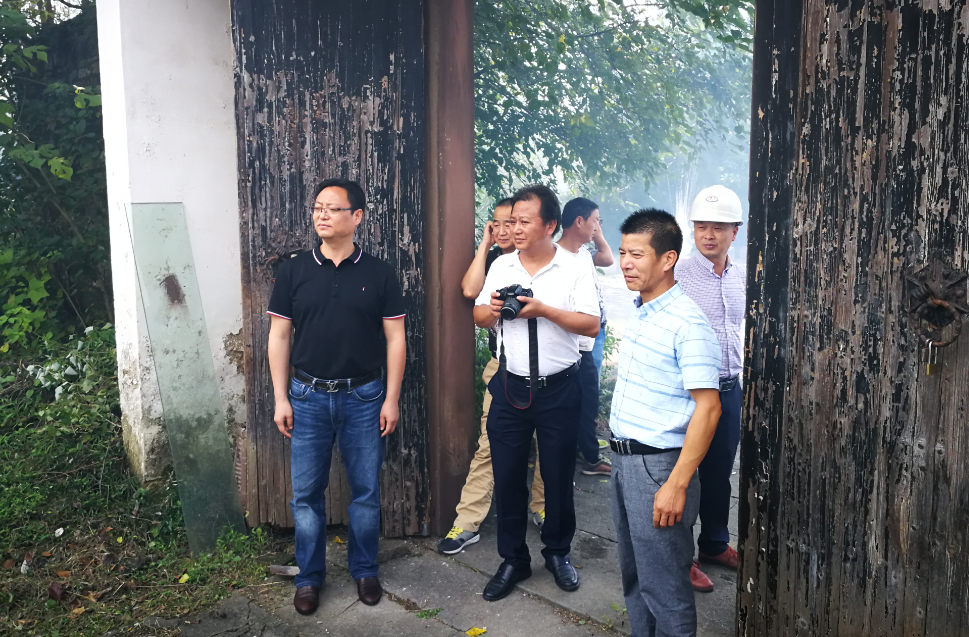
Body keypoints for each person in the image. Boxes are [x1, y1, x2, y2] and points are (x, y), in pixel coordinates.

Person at [267, 178, 407, 615]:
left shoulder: (379, 273)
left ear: (357, 216)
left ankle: (365, 570)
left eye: (332, 208)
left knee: (365, 491)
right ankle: (309, 578)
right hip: (307, 396)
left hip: (364, 398)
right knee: (306, 495)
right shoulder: (293, 271)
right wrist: (281, 398)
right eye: (317, 208)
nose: (321, 215)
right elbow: (279, 336)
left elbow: (396, 339)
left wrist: (391, 398)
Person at [474, 184, 600, 601]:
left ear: (550, 225)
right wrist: (493, 310)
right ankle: (513, 559)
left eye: (524, 221)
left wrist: (543, 309)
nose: (515, 228)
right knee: (508, 476)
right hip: (510, 386)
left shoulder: (574, 266)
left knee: (559, 476)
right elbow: (478, 315)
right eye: (512, 221)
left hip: (559, 388)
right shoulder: (502, 265)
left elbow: (590, 324)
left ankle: (558, 552)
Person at [609, 209, 722, 637]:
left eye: (637, 254)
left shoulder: (687, 323)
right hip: (623, 461)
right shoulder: (643, 310)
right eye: (623, 252)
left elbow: (709, 408)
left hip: (658, 468)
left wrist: (676, 484)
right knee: (636, 576)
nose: (625, 263)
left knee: (665, 585)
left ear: (668, 258)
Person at [437, 198, 548, 554]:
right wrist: (485, 245)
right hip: (503, 368)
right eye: (496, 223)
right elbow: (470, 291)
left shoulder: (546, 264)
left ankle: (542, 507)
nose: (503, 230)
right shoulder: (497, 263)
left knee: (547, 445)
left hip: (547, 370)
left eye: (510, 222)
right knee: (489, 442)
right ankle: (467, 521)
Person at [674, 185, 745, 592]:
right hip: (688, 392)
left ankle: (715, 543)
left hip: (729, 388)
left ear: (734, 231)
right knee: (683, 473)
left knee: (719, 473)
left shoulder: (741, 275)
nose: (709, 235)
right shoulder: (677, 274)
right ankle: (681, 557)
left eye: (718, 227)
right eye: (701, 226)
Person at [556, 197, 615, 477]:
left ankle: (587, 454)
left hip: (590, 338)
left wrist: (597, 233)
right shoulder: (556, 257)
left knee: (587, 401)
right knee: (582, 400)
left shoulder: (581, 253)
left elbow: (607, 258)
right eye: (595, 221)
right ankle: (587, 458)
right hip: (576, 344)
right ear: (578, 221)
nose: (597, 227)